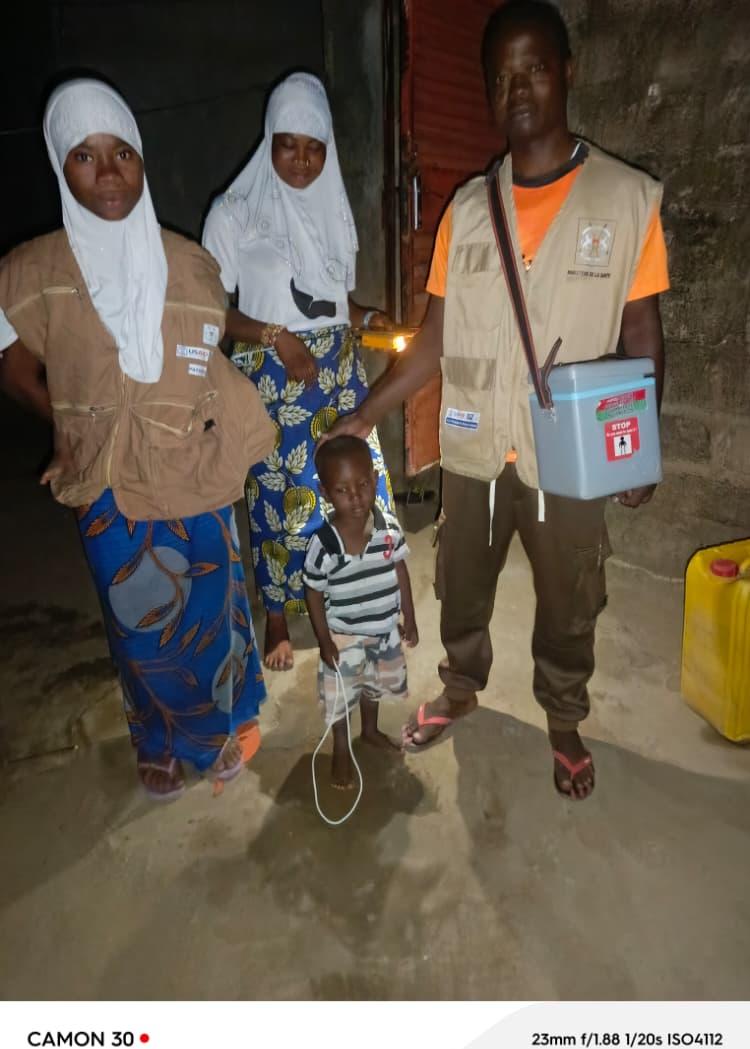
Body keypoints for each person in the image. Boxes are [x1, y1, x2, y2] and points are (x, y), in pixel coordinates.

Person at [327, 0, 669, 799]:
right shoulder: (468, 211)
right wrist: (364, 416)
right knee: (462, 586)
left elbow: (645, 335)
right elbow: (434, 338)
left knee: (570, 599)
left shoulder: (624, 201)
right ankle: (459, 686)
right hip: (477, 448)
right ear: (488, 91)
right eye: (501, 76)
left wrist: (639, 443)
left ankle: (563, 718)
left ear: (568, 73)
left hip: (571, 455)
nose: (518, 88)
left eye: (535, 68)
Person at [0, 78, 276, 801]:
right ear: (61, 166)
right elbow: (12, 364)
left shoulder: (188, 265)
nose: (109, 170)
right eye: (85, 156)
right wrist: (67, 427)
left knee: (212, 609)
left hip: (193, 466)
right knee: (140, 625)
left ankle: (220, 720)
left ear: (142, 159)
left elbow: (208, 355)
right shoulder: (33, 273)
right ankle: (161, 737)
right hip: (107, 481)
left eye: (122, 151)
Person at [202, 72, 394, 673]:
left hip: (337, 373)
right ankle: (280, 615)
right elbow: (208, 307)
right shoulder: (233, 213)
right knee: (276, 501)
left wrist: (366, 317)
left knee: (357, 486)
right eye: (290, 144)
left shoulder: (332, 208)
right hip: (270, 377)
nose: (303, 161)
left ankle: (358, 594)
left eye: (316, 147)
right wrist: (274, 336)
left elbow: (333, 300)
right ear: (270, 140)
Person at [303, 436, 418, 789]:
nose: (355, 496)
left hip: (384, 630)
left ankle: (369, 730)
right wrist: (324, 640)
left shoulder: (388, 530)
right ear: (325, 492)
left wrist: (409, 617)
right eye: (342, 490)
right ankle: (341, 746)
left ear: (375, 479)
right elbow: (313, 591)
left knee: (374, 686)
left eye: (364, 484)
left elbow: (400, 570)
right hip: (344, 636)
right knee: (342, 694)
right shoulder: (323, 544)